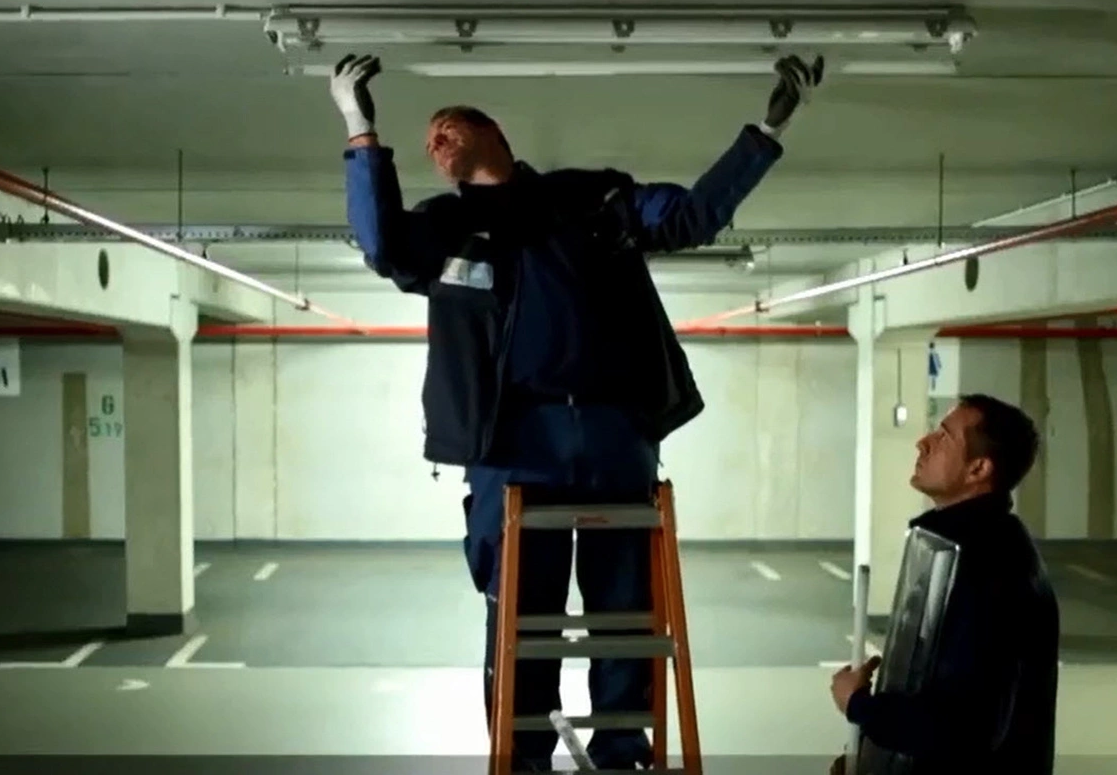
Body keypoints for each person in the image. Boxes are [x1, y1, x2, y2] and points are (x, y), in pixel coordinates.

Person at [330, 52, 825, 771]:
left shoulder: (591, 199)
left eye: (447, 126)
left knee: (624, 604)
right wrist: (359, 125)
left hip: (613, 432)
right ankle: (524, 755)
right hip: (510, 441)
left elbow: (691, 215)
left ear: (492, 132)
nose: (435, 141)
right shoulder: (444, 227)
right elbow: (381, 245)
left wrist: (768, 130)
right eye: (429, 139)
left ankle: (621, 749)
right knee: (520, 612)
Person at [831, 394, 1060, 775]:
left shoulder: (989, 566)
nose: (923, 443)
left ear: (978, 469)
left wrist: (860, 707)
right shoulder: (958, 545)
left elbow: (964, 728)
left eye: (943, 437)